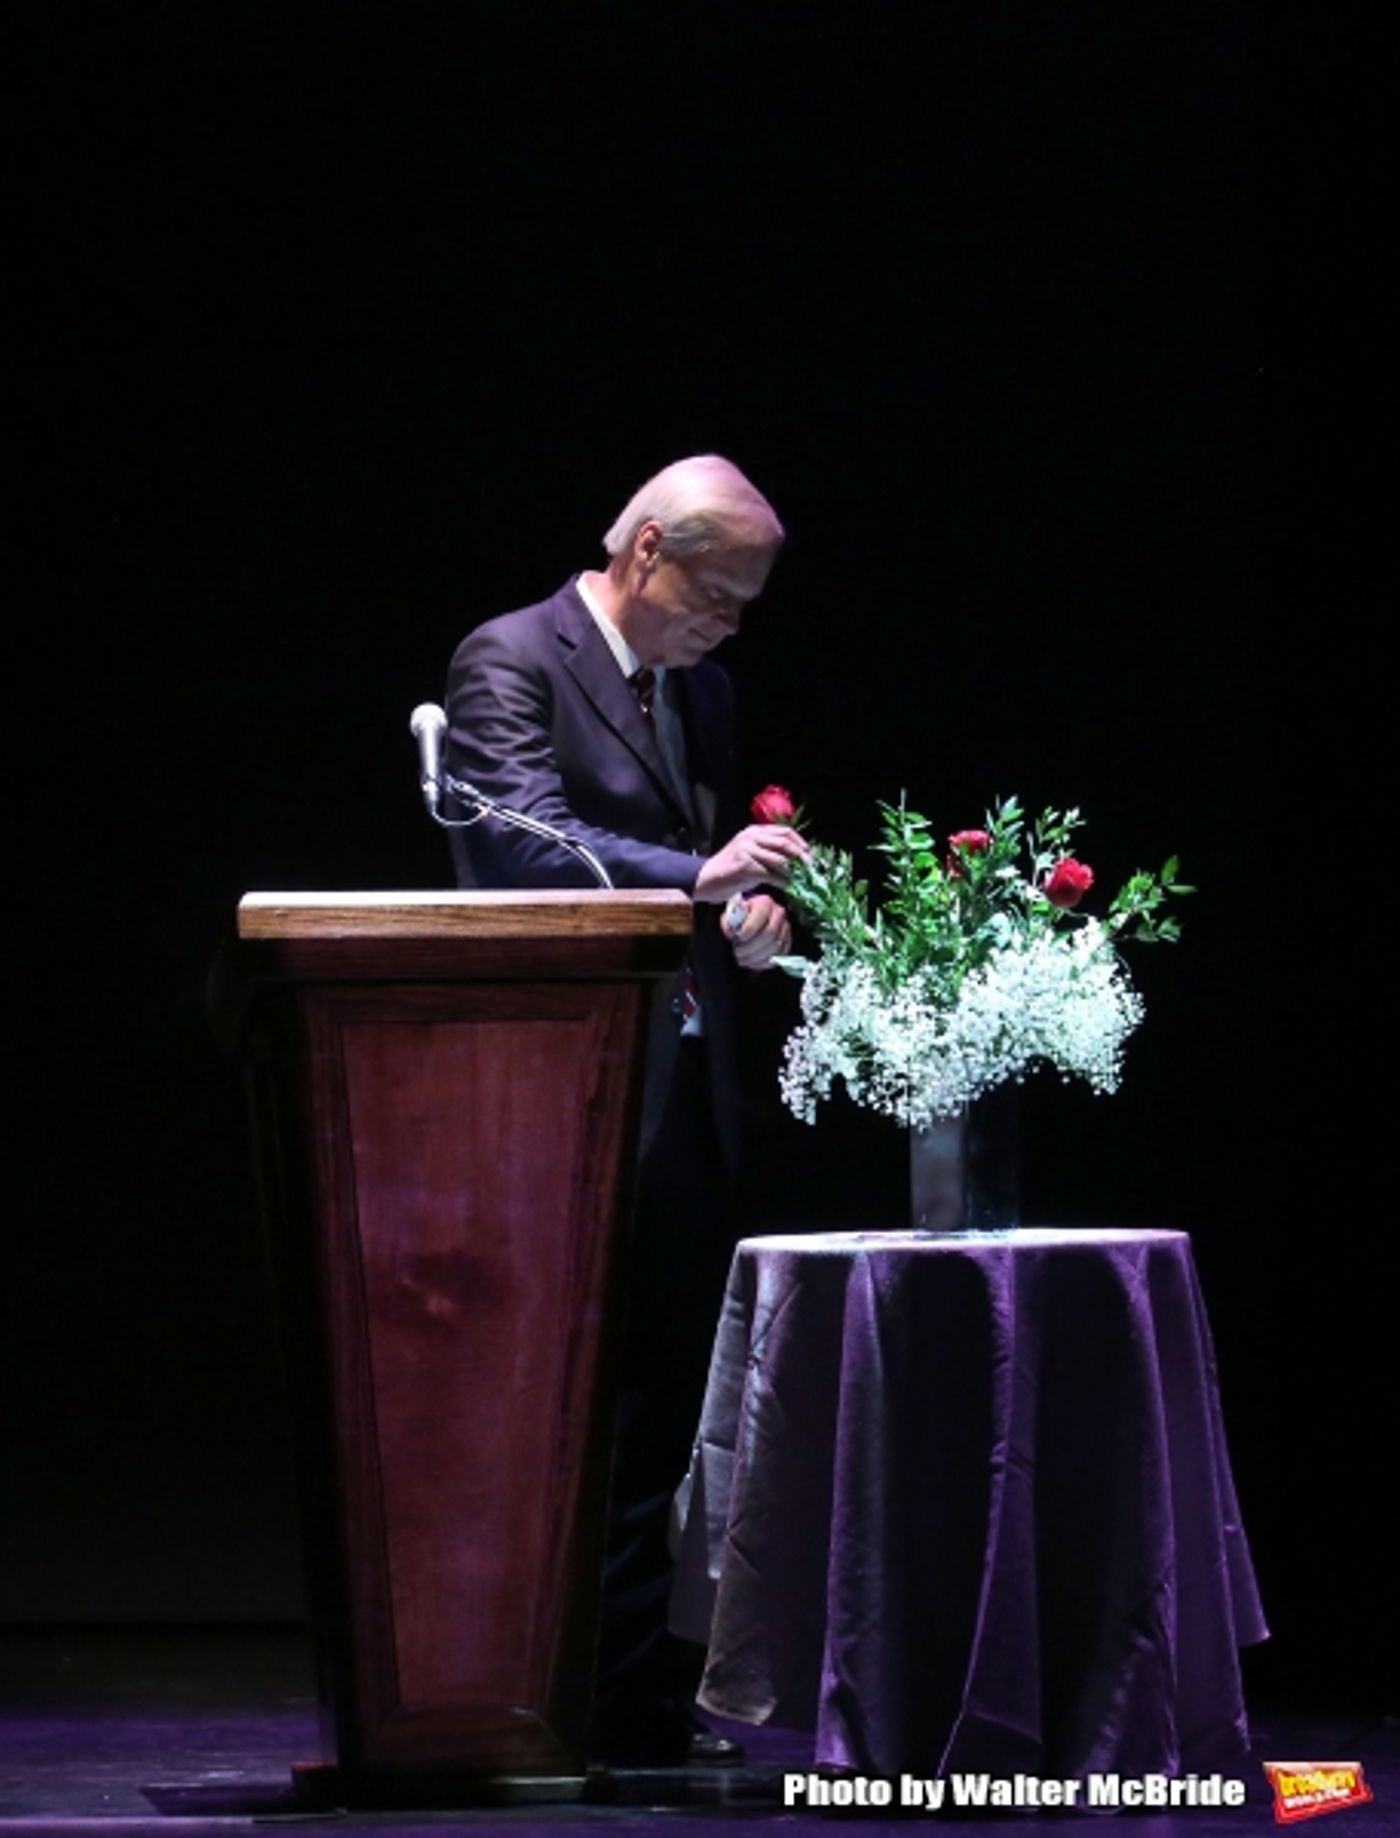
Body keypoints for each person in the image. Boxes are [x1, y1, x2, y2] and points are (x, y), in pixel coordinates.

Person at [443, 454, 807, 1767]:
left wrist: (748, 920)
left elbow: (702, 884)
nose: (729, 626)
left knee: (664, 1402)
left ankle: (635, 1688)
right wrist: (700, 875)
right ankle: (535, 1683)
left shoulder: (700, 691)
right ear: (647, 550)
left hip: (684, 1082)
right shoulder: (512, 657)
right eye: (718, 596)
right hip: (564, 1091)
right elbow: (513, 841)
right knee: (568, 1396)